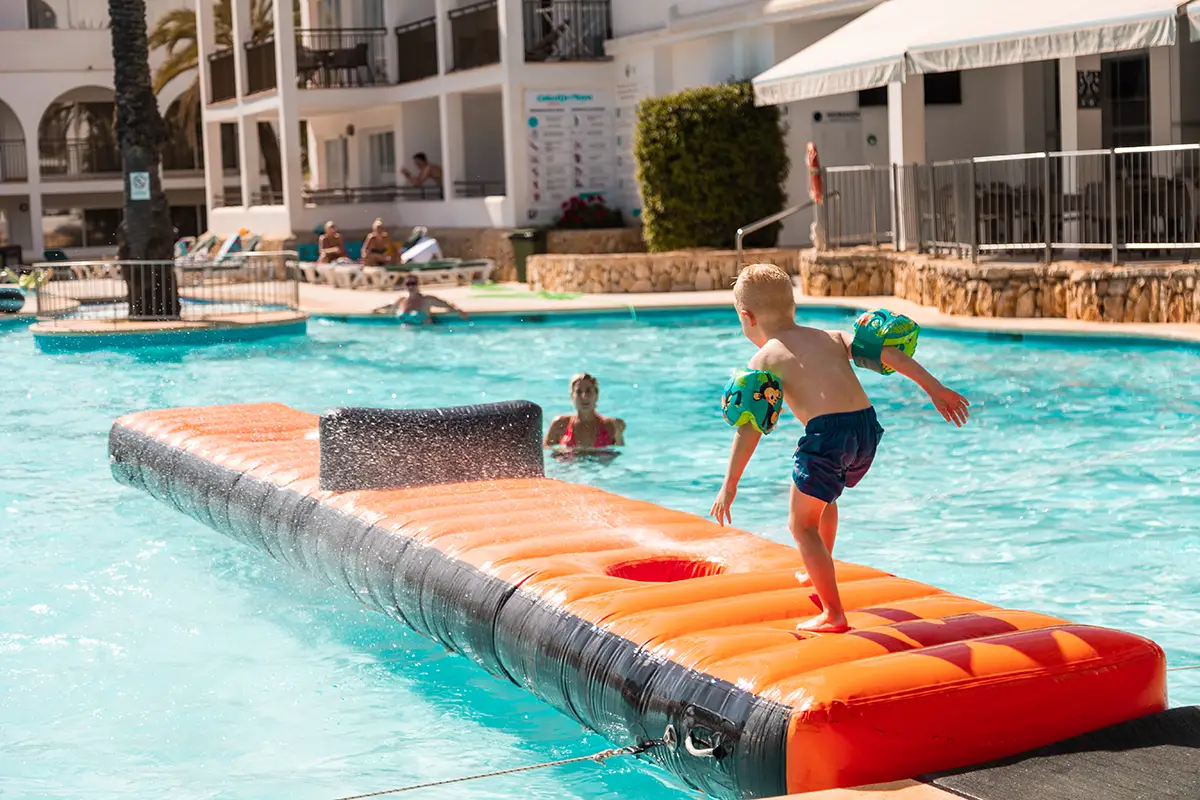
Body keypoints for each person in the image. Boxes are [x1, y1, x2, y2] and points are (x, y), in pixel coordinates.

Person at [709, 264, 969, 634]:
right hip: (865, 429)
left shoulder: (763, 359)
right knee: (825, 499)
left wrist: (729, 483)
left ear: (746, 317)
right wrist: (935, 389)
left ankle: (833, 614)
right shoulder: (829, 336)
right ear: (792, 307)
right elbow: (886, 355)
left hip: (828, 436)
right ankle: (820, 564)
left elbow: (750, 427)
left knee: (800, 525)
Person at [544, 373, 626, 451]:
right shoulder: (559, 424)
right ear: (572, 396)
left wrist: (618, 435)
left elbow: (619, 457)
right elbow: (543, 453)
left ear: (596, 395)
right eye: (579, 392)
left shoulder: (612, 425)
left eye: (588, 391)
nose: (584, 396)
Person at [374, 274, 469, 324]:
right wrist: (377, 309)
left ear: (418, 285)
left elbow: (447, 304)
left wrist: (459, 311)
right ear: (404, 286)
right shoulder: (401, 300)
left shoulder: (427, 300)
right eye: (408, 284)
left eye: (413, 284)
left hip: (425, 335)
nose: (411, 287)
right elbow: (390, 306)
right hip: (406, 339)